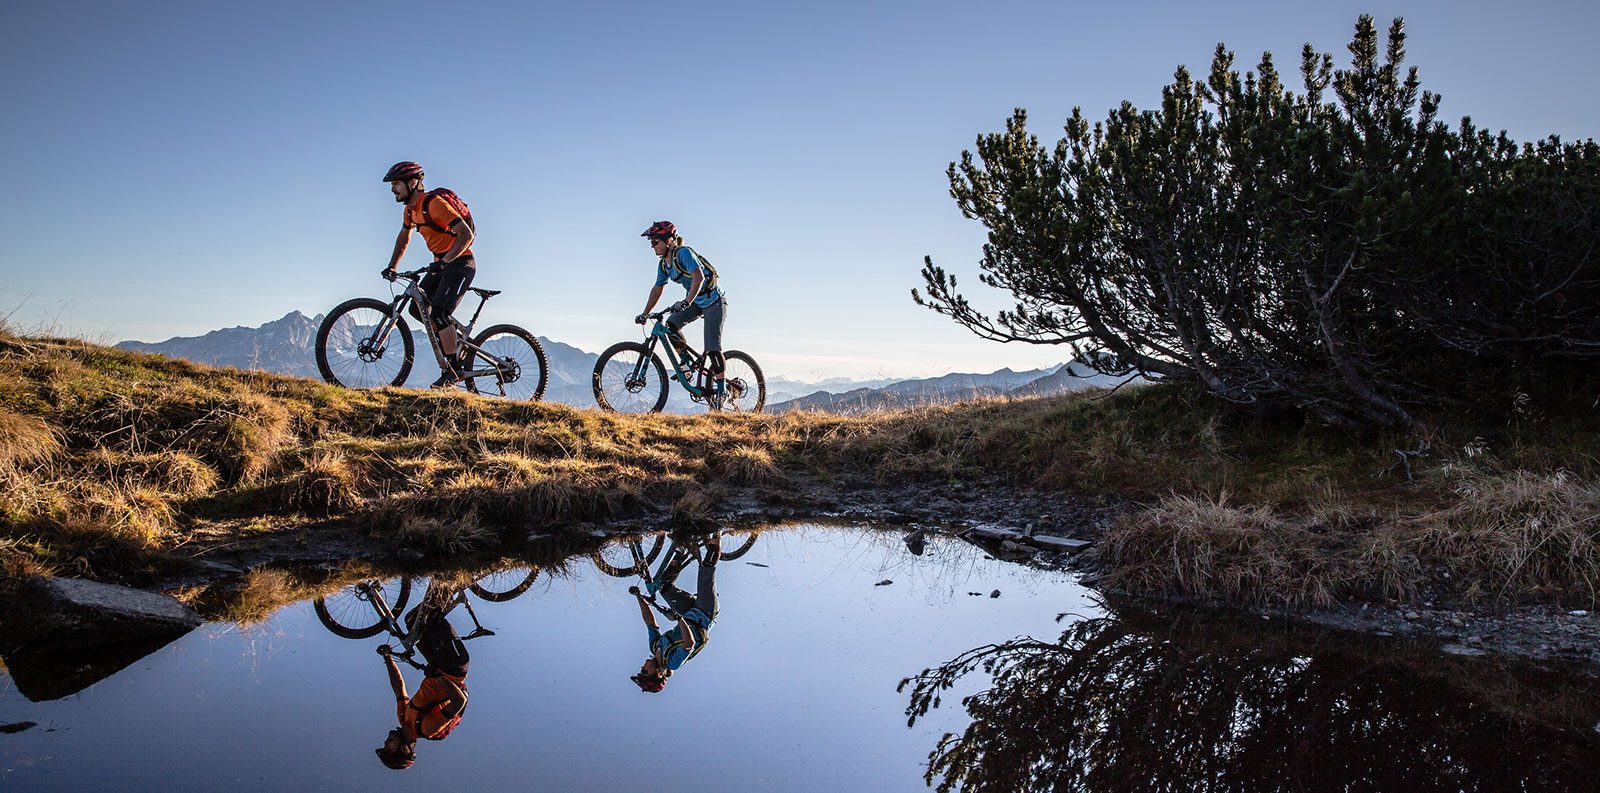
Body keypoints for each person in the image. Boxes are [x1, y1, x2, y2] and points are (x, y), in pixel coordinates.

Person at [380, 161, 478, 388]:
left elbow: (466, 235)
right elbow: (404, 238)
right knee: (418, 309)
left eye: (396, 184)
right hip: (441, 265)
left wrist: (445, 261)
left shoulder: (434, 204)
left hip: (461, 263)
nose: (393, 189)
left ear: (412, 183)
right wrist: (392, 266)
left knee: (440, 314)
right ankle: (454, 344)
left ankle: (453, 371)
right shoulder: (410, 211)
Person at [375, 585, 471, 770]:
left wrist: (387, 658)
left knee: (413, 622)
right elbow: (459, 701)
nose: (386, 742)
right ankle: (452, 577)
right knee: (432, 619)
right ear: (404, 749)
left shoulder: (403, 717)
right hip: (454, 666)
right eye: (389, 747)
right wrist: (440, 677)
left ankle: (444, 581)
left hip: (437, 663)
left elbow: (398, 686)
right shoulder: (427, 728)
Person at [635, 221, 729, 407]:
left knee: (712, 347)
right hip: (694, 301)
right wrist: (645, 313)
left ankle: (722, 389)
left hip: (714, 301)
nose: (653, 246)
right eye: (651, 243)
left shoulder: (683, 253)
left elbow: (699, 277)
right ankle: (685, 362)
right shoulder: (664, 265)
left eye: (655, 242)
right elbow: (657, 288)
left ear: (668, 241)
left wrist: (687, 301)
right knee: (670, 326)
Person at [631, 536, 720, 693]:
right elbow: (689, 643)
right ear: (657, 674)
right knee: (706, 568)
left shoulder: (655, 647)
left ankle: (682, 549)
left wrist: (638, 597)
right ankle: (715, 536)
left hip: (688, 612)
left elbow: (650, 622)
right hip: (705, 614)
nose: (643, 666)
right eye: (644, 671)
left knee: (663, 587)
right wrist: (679, 620)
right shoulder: (672, 662)